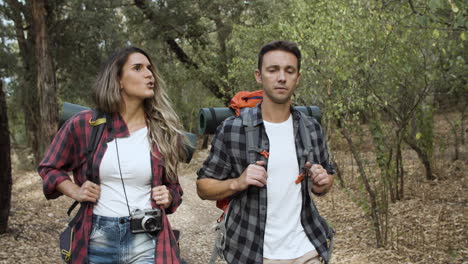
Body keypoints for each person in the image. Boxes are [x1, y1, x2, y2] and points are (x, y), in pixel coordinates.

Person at [38, 46, 186, 264]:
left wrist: (170, 195)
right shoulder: (85, 124)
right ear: (118, 80)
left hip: (147, 238)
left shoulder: (162, 130)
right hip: (98, 238)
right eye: (137, 68)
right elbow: (49, 167)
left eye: (149, 68)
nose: (149, 74)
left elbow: (174, 187)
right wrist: (75, 191)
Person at [197, 40, 335, 264]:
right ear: (259, 76)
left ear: (297, 78)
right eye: (273, 70)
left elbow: (327, 179)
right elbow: (203, 187)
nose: (282, 77)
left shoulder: (311, 128)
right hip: (252, 252)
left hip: (307, 248)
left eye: (289, 71)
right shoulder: (233, 129)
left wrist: (322, 182)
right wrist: (237, 183)